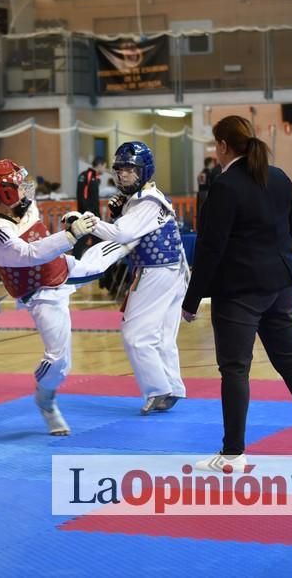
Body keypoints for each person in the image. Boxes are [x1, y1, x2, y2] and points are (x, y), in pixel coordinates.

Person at [182, 115, 292, 472]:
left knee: (235, 369)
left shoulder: (224, 186)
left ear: (222, 146)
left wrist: (192, 301)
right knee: (291, 359)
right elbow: (291, 231)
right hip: (281, 283)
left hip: (240, 291)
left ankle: (233, 453)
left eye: (214, 145)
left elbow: (210, 249)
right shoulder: (279, 177)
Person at [0, 159, 126, 435]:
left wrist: (69, 221)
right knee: (60, 362)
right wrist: (70, 235)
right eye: (19, 186)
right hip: (41, 294)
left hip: (61, 269)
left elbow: (43, 239)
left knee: (100, 263)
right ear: (6, 193)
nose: (26, 190)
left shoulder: (25, 208)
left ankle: (132, 240)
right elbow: (31, 254)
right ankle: (45, 399)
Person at [90, 141, 188, 414]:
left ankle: (158, 389)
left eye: (129, 169)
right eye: (119, 169)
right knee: (163, 336)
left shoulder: (147, 201)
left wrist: (89, 222)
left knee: (135, 335)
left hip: (156, 272)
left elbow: (122, 234)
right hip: (172, 271)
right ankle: (173, 387)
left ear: (144, 171)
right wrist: (120, 211)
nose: (122, 174)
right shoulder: (145, 197)